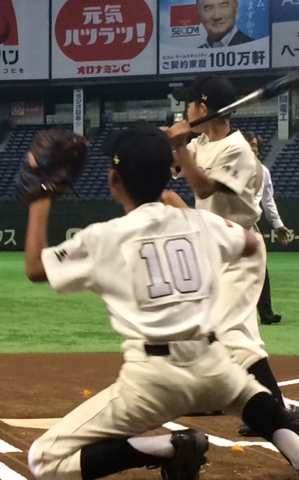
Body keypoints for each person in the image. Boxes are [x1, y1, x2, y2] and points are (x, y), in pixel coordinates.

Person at [24, 124, 299, 480]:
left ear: (113, 181)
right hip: (213, 365)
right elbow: (248, 243)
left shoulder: (104, 238)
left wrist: (41, 194)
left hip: (152, 383)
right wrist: (188, 215)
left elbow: (35, 266)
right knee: (248, 395)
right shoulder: (198, 222)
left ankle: (169, 447)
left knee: (43, 460)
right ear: (166, 175)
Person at [164, 74, 299, 437]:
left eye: (189, 104)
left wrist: (181, 146)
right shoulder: (204, 142)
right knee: (233, 331)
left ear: (203, 108)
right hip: (214, 252)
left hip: (241, 250)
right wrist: (168, 142)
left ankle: (275, 415)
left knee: (230, 331)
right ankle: (268, 406)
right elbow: (174, 166)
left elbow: (203, 184)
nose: (186, 109)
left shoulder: (238, 149)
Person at [243, 131, 291, 326]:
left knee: (260, 266)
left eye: (254, 145)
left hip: (249, 223)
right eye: (248, 145)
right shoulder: (228, 168)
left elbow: (268, 202)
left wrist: (278, 225)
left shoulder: (263, 171)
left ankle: (266, 313)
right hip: (228, 222)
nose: (252, 149)